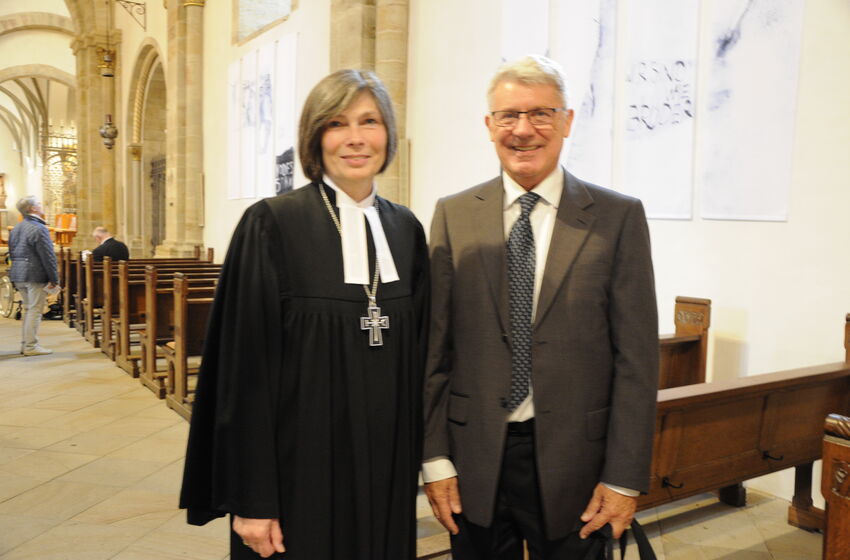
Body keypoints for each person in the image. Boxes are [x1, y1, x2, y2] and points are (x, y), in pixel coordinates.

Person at [180, 69, 429, 560]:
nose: (355, 138)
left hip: (386, 477)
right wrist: (253, 500)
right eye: (337, 124)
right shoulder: (271, 225)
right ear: (315, 138)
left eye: (369, 121)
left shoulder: (406, 231)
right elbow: (243, 377)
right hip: (298, 481)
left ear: (389, 135)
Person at [422, 55, 659, 559]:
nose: (523, 130)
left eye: (540, 114)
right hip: (475, 460)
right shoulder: (453, 215)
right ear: (489, 125)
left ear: (567, 121)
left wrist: (623, 479)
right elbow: (434, 352)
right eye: (508, 116)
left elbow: (637, 362)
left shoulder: (617, 218)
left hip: (579, 463)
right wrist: (436, 460)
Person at [8, 196, 59, 356]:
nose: (41, 205)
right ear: (33, 209)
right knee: (35, 310)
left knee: (28, 309)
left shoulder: (16, 228)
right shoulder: (39, 228)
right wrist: (54, 278)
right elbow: (48, 256)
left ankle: (27, 344)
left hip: (18, 273)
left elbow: (12, 251)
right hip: (35, 275)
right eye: (38, 203)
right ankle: (30, 346)